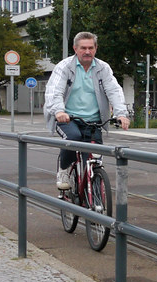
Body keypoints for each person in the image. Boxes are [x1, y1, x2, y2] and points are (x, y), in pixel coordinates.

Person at [44, 31, 130, 189]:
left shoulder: (103, 68)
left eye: (91, 47)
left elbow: (114, 90)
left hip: (93, 121)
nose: (87, 51)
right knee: (73, 137)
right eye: (83, 48)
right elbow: (54, 91)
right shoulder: (64, 67)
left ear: (96, 48)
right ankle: (64, 170)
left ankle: (94, 196)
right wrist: (58, 111)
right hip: (67, 118)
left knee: (94, 159)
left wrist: (121, 114)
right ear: (75, 49)